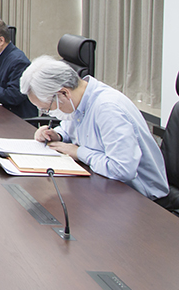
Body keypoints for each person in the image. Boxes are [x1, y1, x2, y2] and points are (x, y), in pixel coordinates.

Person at [20, 56, 172, 205]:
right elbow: (70, 130)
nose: (49, 113)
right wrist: (56, 135)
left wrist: (78, 152)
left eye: (47, 108)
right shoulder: (78, 100)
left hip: (142, 198)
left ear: (64, 93)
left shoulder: (108, 109)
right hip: (104, 185)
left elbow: (122, 170)